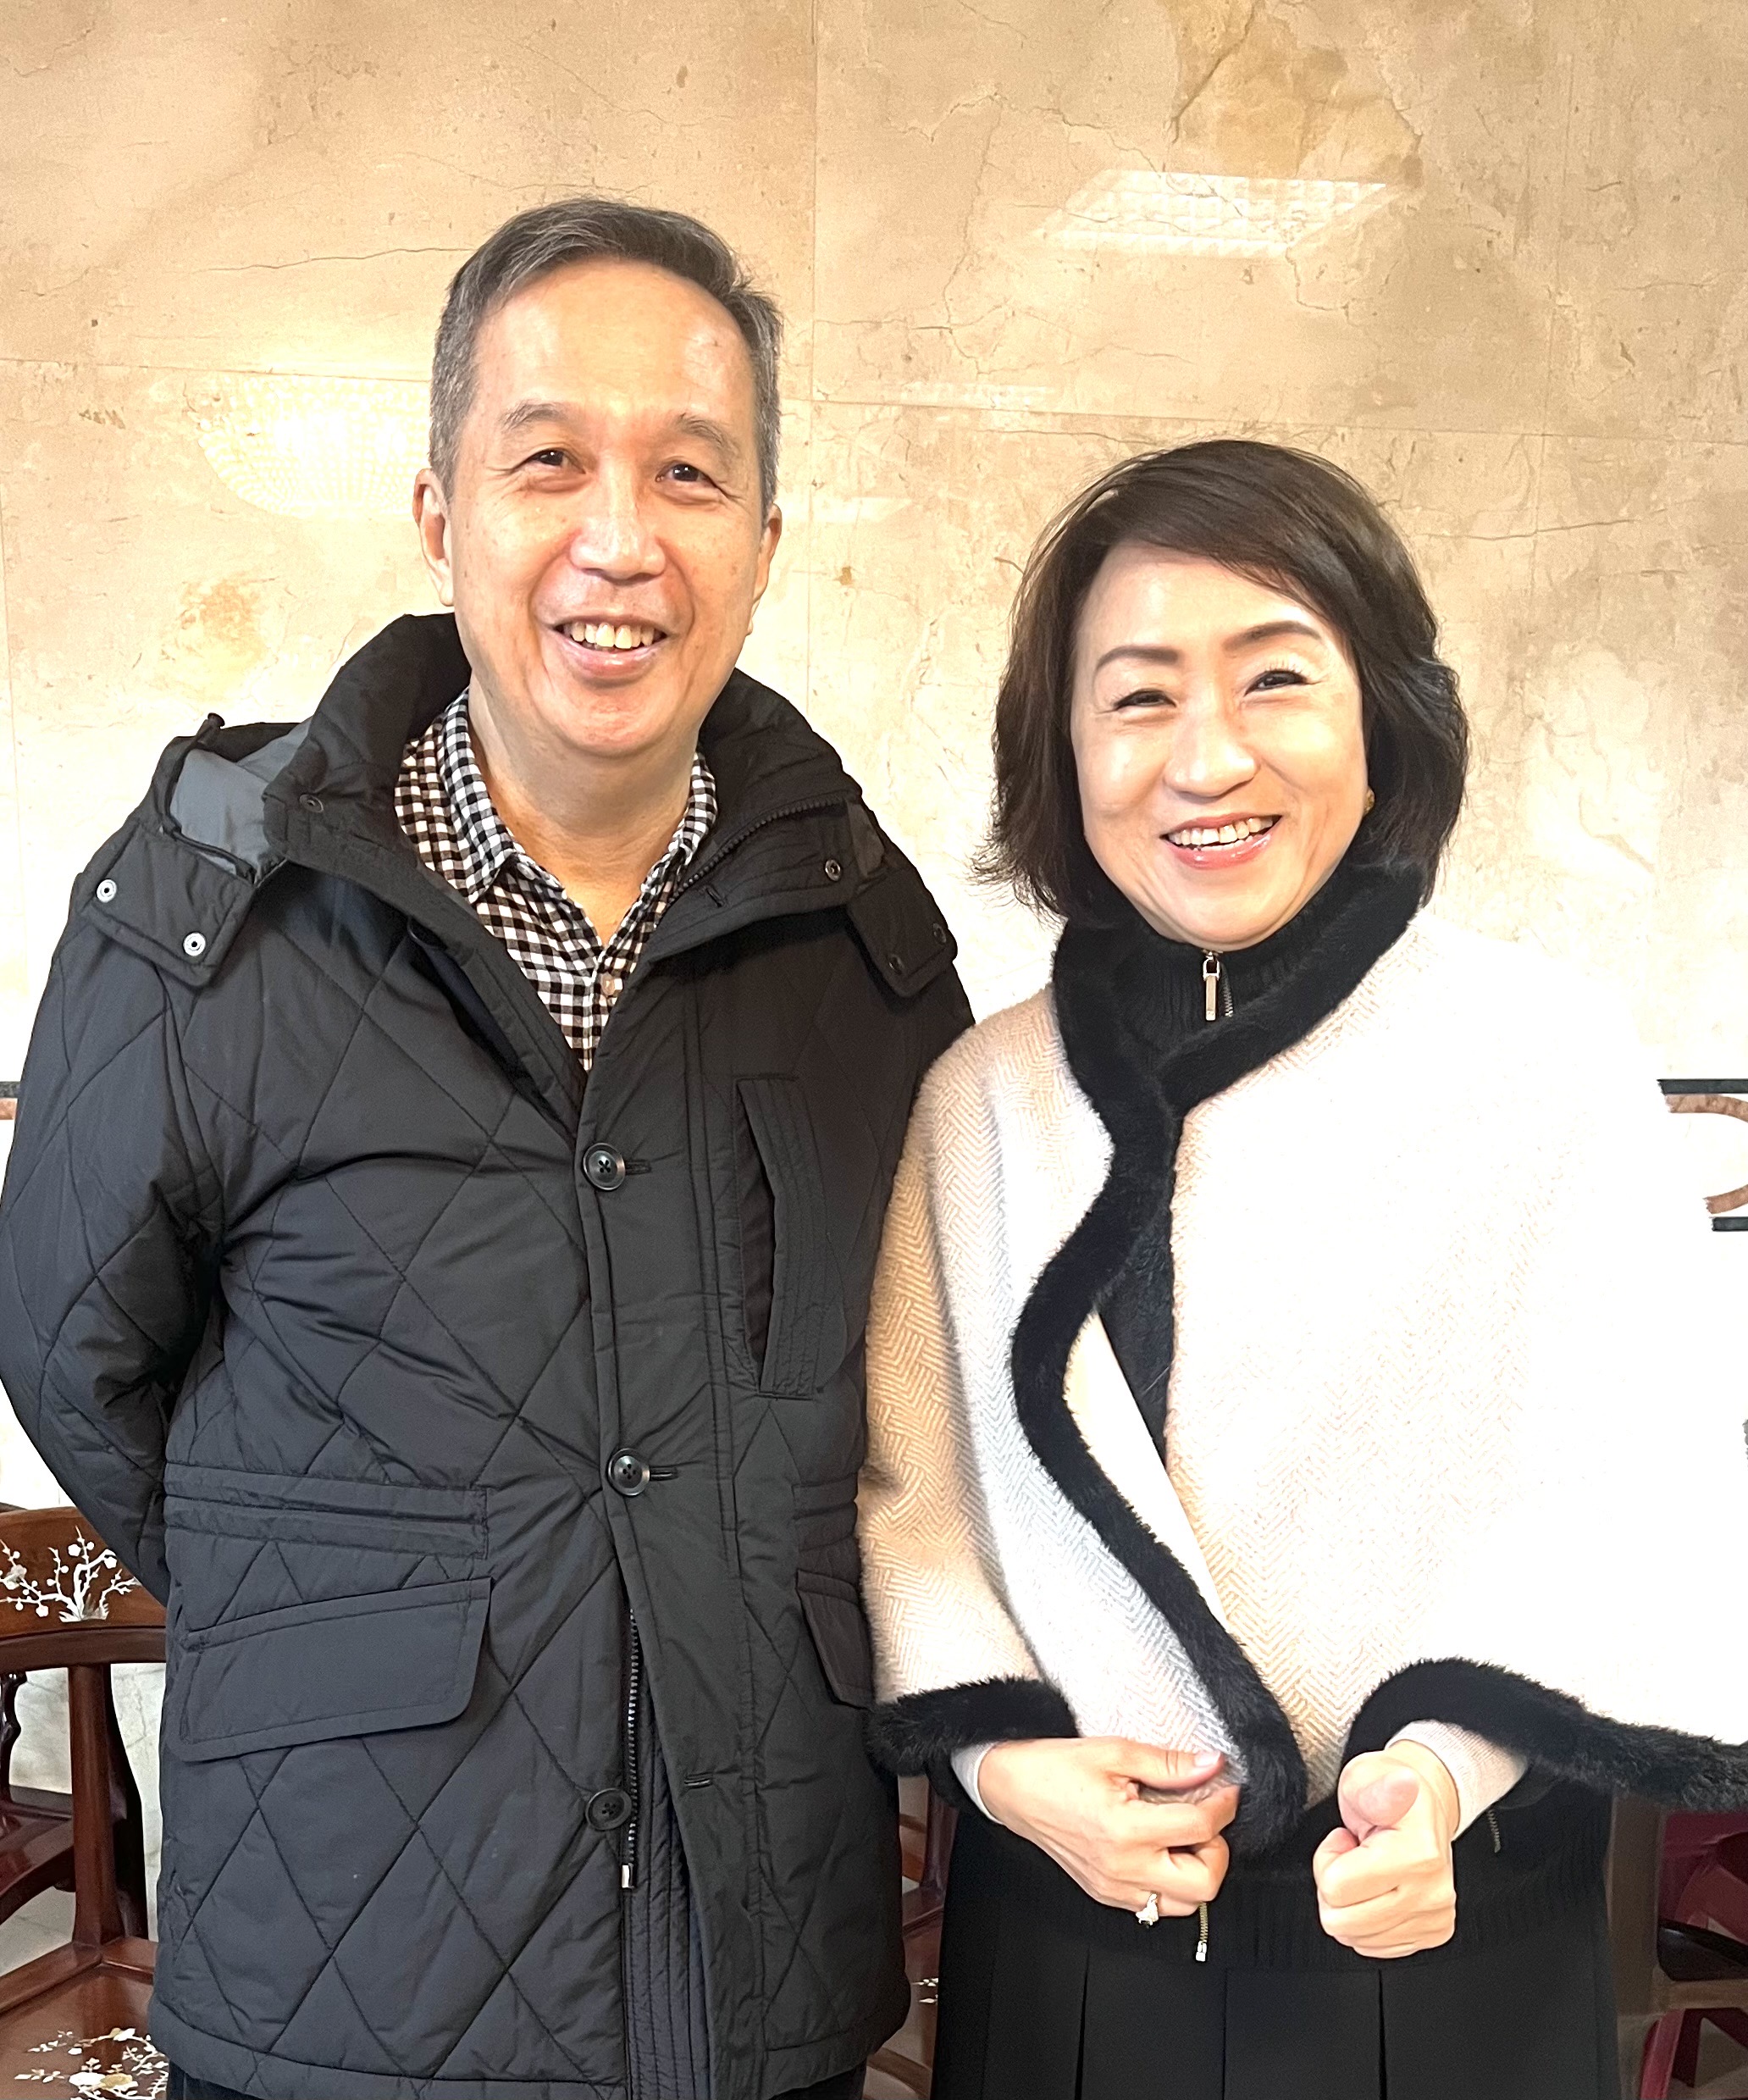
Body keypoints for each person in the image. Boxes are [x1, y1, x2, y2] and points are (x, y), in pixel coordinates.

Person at [0, 197, 969, 2100]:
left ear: (764, 546)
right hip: (340, 1988)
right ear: (441, 512)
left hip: (756, 1982)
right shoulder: (212, 910)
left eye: (688, 473)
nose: (620, 538)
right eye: (548, 463)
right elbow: (74, 1347)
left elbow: (910, 1408)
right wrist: (340, 1596)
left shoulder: (861, 944)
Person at [856, 439, 1748, 2100]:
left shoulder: (1547, 1064)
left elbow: (1633, 1489)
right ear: (1062, 747)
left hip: (1452, 1937)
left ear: (1381, 714)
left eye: (1275, 678)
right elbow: (916, 1499)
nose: (1208, 758)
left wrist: (1449, 1771)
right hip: (1067, 1946)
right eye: (1139, 696)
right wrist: (1003, 1767)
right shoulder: (982, 1098)